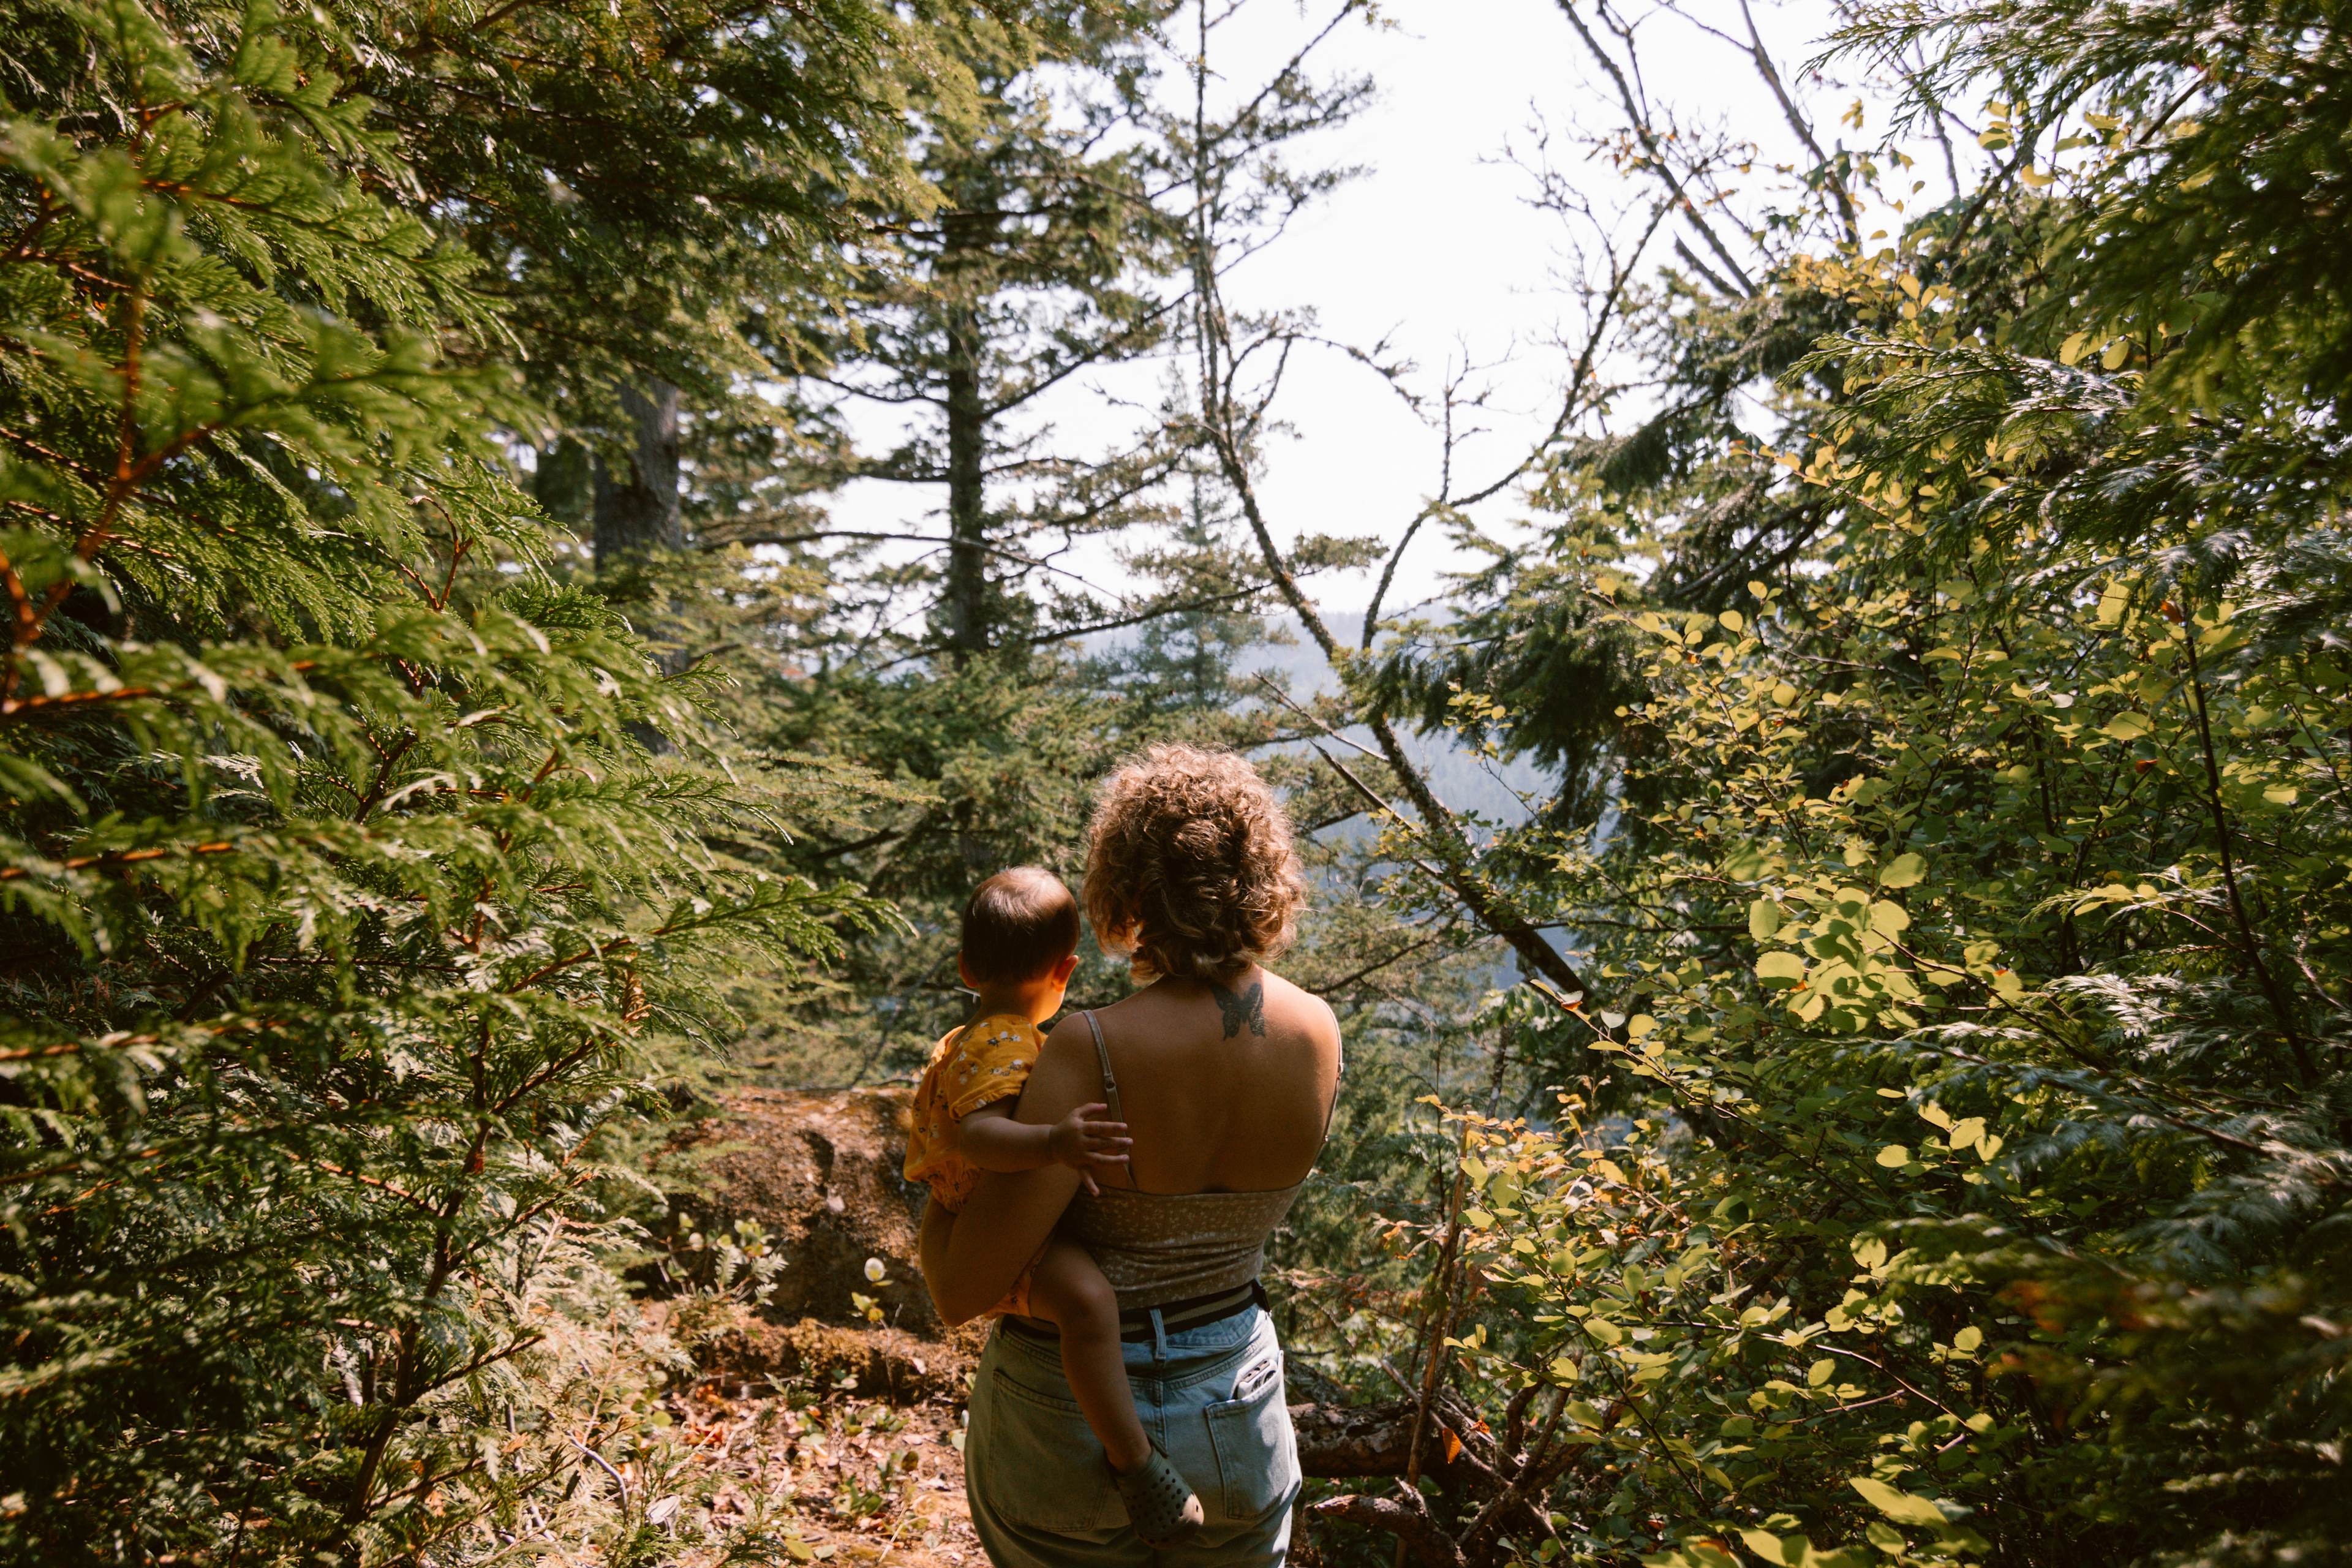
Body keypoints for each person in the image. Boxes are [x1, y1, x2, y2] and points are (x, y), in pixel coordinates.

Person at [921, 745, 1342, 1568]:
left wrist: (942, 1151)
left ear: (1128, 887)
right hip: (1237, 1401)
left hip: (1070, 1423)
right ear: (1265, 875)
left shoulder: (1090, 1048)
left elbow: (962, 1287)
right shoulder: (1317, 1032)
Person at [903, 867, 1207, 1544]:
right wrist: (1056, 1142)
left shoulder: (964, 1038)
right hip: (1011, 1240)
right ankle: (1135, 1461)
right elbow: (983, 1139)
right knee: (1089, 1304)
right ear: (1065, 969)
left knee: (1082, 1303)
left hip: (969, 1221)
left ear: (965, 966)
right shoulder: (1004, 1042)